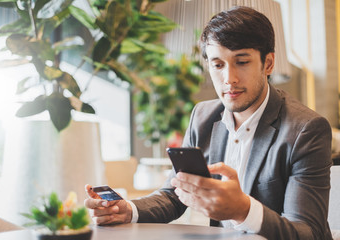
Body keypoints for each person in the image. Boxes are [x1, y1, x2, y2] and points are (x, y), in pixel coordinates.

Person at [84, 6, 333, 239]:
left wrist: (243, 210)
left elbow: (307, 231)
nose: (229, 79)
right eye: (218, 65)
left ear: (267, 63)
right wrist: (127, 210)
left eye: (242, 62)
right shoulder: (203, 116)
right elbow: (175, 194)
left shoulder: (306, 130)